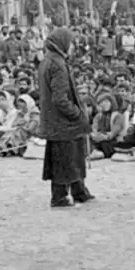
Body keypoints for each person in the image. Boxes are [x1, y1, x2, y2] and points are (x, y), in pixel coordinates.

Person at [38, 27, 95, 207]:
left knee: (70, 156)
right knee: (66, 157)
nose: (73, 47)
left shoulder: (48, 61)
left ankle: (79, 190)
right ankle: (60, 196)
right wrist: (77, 113)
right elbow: (60, 98)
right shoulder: (58, 65)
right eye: (71, 43)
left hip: (54, 120)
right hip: (64, 121)